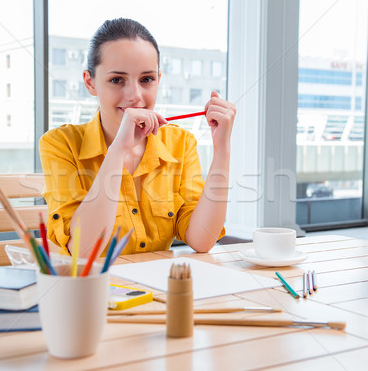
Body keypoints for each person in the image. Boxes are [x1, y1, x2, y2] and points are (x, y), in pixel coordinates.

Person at [39, 18, 236, 258]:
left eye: (146, 79)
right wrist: (118, 150)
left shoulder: (181, 144)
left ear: (158, 80)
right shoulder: (60, 144)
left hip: (156, 290)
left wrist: (222, 146)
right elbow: (84, 250)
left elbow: (202, 240)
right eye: (116, 80)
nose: (135, 96)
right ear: (90, 83)